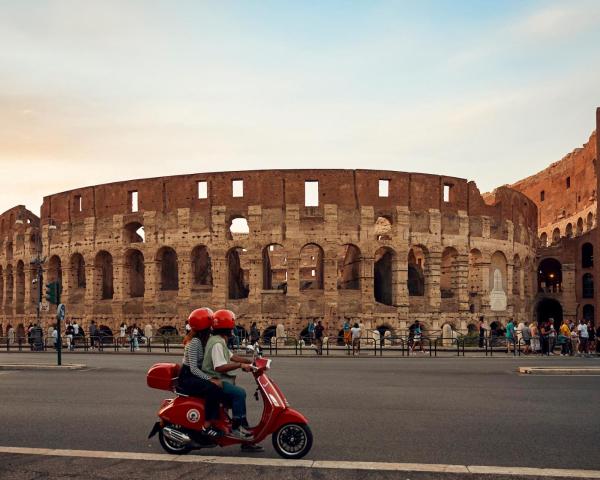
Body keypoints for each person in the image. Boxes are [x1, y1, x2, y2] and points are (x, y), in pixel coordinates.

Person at [202, 309, 264, 452]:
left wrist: (251, 361)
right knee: (239, 394)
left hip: (220, 379)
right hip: (215, 380)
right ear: (227, 327)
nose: (233, 329)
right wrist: (240, 365)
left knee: (238, 398)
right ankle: (237, 428)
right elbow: (219, 367)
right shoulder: (217, 343)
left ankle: (246, 438)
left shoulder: (219, 340)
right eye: (232, 326)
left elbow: (232, 356)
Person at [178, 308, 228, 439]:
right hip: (187, 377)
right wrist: (210, 379)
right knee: (213, 388)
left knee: (219, 387)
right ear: (205, 327)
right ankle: (206, 427)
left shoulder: (204, 340)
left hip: (193, 374)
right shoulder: (195, 342)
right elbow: (194, 368)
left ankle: (218, 420)